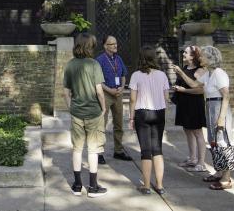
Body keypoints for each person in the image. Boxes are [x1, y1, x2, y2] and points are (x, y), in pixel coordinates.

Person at [173, 45, 234, 190]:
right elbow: (194, 84)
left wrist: (221, 118)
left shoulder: (219, 73)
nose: (201, 58)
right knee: (213, 142)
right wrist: (181, 73)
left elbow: (226, 95)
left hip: (219, 107)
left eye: (204, 56)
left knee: (223, 142)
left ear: (211, 58)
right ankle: (219, 172)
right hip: (211, 106)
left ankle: (226, 179)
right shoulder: (209, 73)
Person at [63, 32, 108, 197]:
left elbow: (66, 93)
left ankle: (77, 185)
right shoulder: (94, 64)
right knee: (93, 150)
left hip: (76, 113)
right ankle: (93, 187)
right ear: (90, 46)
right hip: (94, 113)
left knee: (77, 149)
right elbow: (99, 91)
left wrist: (71, 108)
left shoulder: (70, 65)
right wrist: (103, 108)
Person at [128, 46, 170, 195]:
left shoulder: (136, 75)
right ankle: (159, 185)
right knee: (157, 149)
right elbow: (166, 98)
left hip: (142, 113)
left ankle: (146, 186)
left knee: (146, 150)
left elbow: (133, 99)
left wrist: (131, 117)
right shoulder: (162, 75)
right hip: (159, 113)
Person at [95, 35, 132, 163]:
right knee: (102, 124)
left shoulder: (118, 59)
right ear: (105, 46)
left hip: (118, 93)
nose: (115, 46)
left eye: (116, 43)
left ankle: (118, 151)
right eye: (112, 44)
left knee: (119, 123)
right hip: (105, 93)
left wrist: (122, 87)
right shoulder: (99, 60)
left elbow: (123, 75)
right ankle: (99, 152)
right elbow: (97, 80)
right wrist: (109, 90)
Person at [171, 45, 208, 172]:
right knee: (187, 130)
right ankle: (192, 158)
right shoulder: (185, 67)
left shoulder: (200, 70)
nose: (183, 54)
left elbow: (200, 90)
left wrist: (184, 89)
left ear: (193, 56)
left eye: (186, 53)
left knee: (198, 132)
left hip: (194, 104)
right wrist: (176, 88)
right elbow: (183, 84)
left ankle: (201, 162)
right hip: (184, 103)